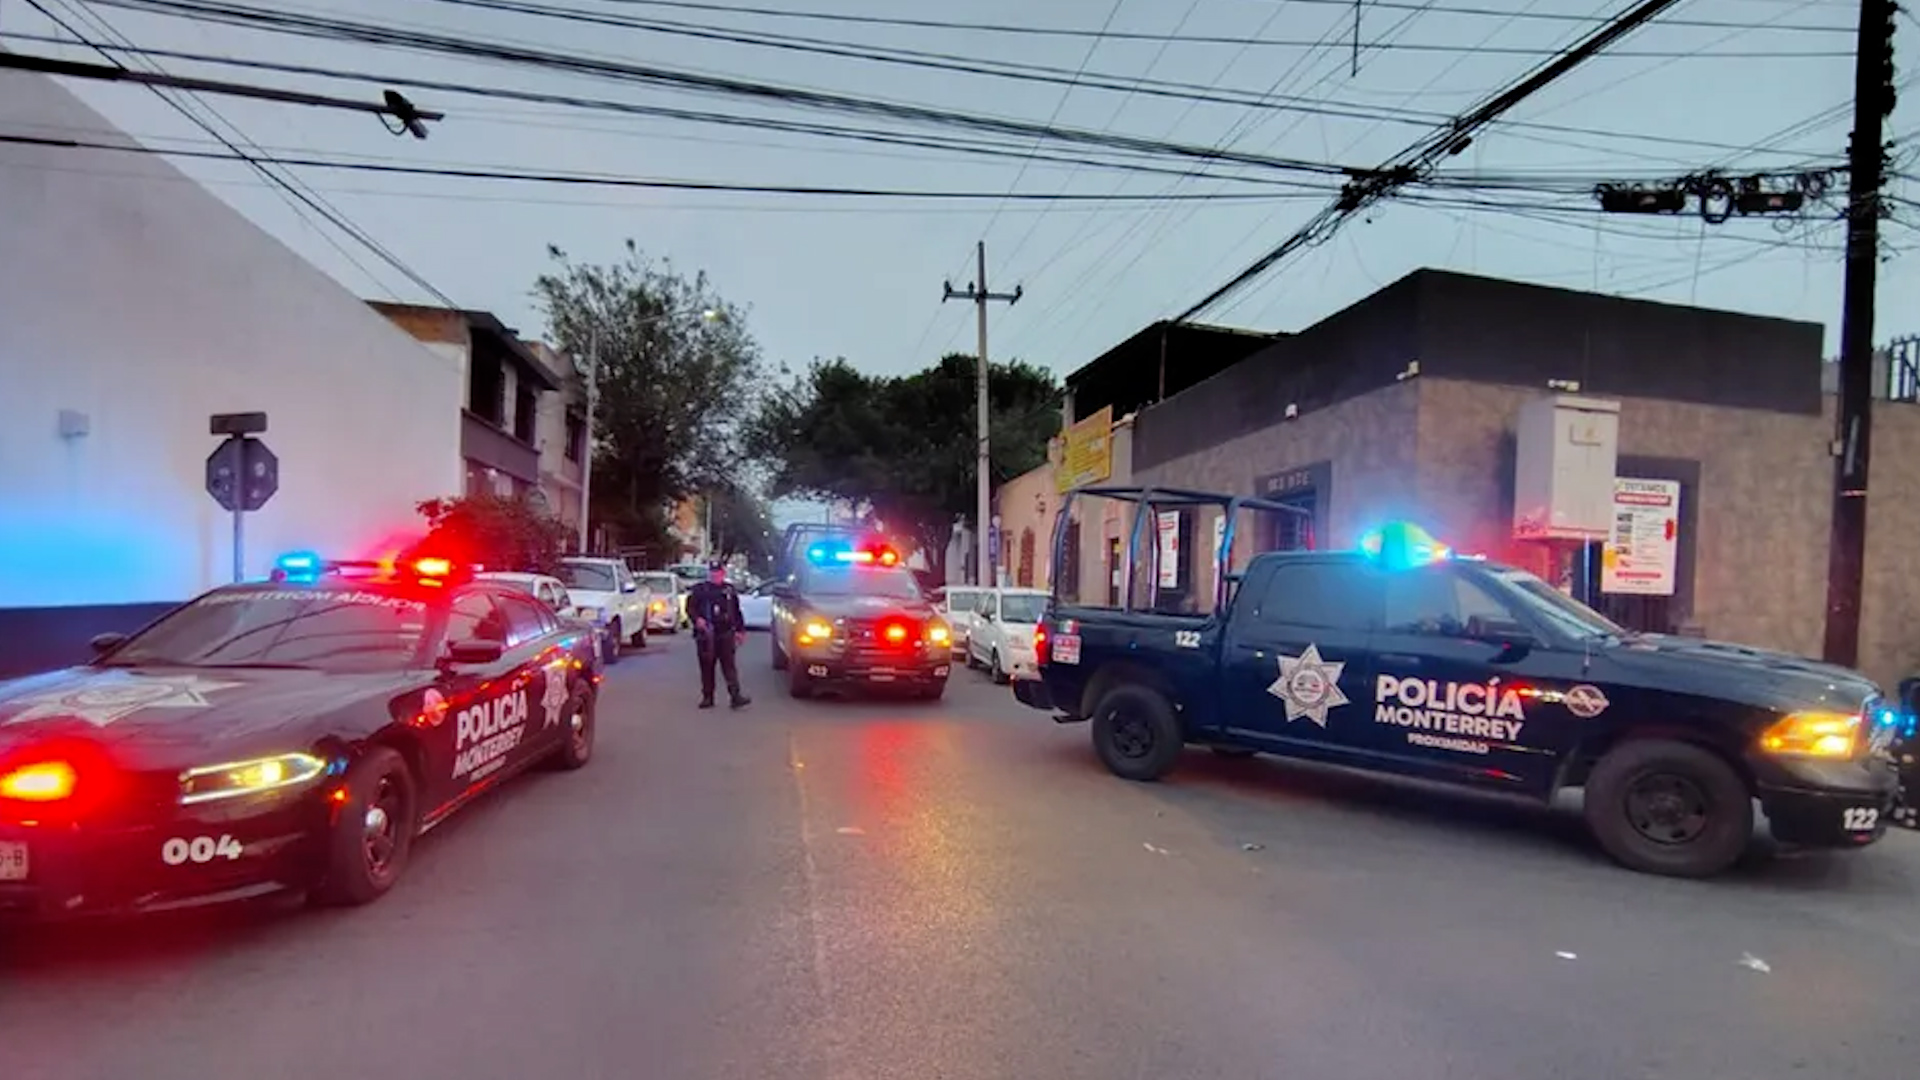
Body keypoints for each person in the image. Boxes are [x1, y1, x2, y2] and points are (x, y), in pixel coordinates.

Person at [686, 560, 750, 709]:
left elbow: (736, 611)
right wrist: (697, 620)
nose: (715, 575)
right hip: (706, 634)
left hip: (725, 633)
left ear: (723, 573)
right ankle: (707, 697)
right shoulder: (700, 589)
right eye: (712, 573)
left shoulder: (729, 590)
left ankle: (735, 696)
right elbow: (690, 608)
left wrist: (740, 631)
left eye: (718, 573)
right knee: (707, 666)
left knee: (729, 666)